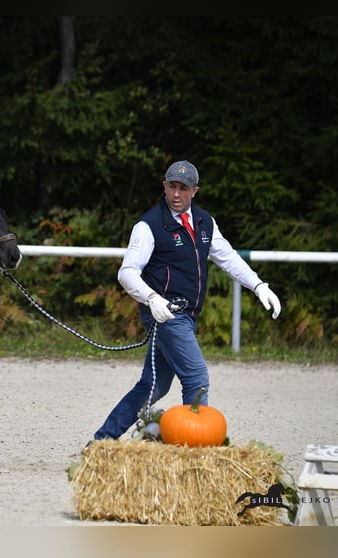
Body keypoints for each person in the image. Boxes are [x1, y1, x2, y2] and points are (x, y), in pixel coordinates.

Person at [92, 160, 281, 441]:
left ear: (195, 191)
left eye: (183, 188)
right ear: (164, 186)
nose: (176, 194)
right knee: (196, 379)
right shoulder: (148, 225)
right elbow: (127, 272)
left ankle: (100, 443)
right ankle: (194, 451)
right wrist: (152, 298)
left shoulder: (205, 221)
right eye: (172, 186)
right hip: (165, 314)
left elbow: (227, 257)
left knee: (152, 386)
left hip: (187, 315)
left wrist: (258, 285)